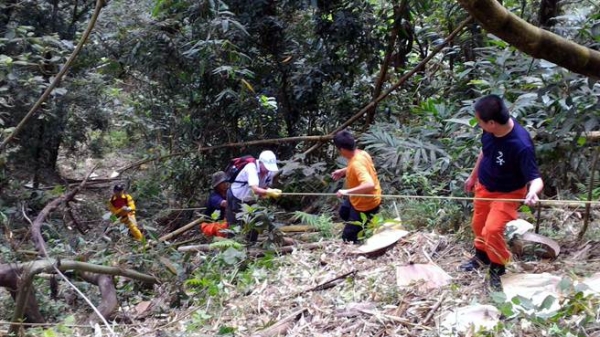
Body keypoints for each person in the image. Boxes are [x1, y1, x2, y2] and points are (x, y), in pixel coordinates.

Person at [461, 94, 544, 291]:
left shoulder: (520, 144)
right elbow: (485, 151)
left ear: (491, 123)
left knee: (492, 229)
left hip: (507, 193)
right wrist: (473, 177)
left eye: (479, 121)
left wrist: (533, 192)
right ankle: (481, 256)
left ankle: (498, 267)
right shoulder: (490, 132)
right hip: (484, 186)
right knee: (478, 224)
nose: (478, 124)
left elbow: (536, 178)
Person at [331, 130, 382, 243]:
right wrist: (343, 171)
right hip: (358, 199)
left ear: (342, 149)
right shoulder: (361, 153)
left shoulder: (356, 164)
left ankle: (359, 235)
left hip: (366, 204)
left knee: (347, 238)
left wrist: (346, 192)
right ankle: (360, 226)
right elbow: (360, 167)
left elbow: (369, 184)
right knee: (343, 212)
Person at [225, 150, 282, 242]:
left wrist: (267, 191)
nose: (268, 170)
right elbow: (255, 188)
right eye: (266, 167)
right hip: (236, 197)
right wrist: (269, 192)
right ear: (260, 162)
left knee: (255, 221)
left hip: (251, 199)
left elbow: (264, 187)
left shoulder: (270, 172)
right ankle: (232, 246)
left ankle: (251, 244)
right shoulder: (251, 168)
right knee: (234, 223)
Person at [201, 171, 230, 238]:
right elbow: (223, 203)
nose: (225, 184)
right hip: (209, 225)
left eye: (225, 182)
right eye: (222, 183)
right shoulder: (213, 196)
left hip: (223, 223)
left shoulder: (228, 193)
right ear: (217, 185)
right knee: (223, 226)